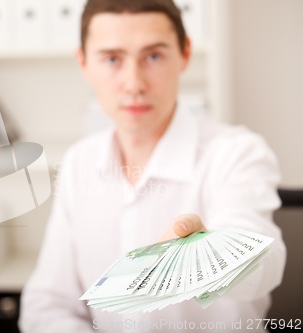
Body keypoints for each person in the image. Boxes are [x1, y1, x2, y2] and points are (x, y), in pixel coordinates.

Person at [19, 0, 286, 332]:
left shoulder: (236, 153)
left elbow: (266, 261)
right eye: (112, 59)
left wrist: (208, 256)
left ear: (184, 54)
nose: (134, 83)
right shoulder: (79, 162)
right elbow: (48, 303)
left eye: (154, 56)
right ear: (84, 63)